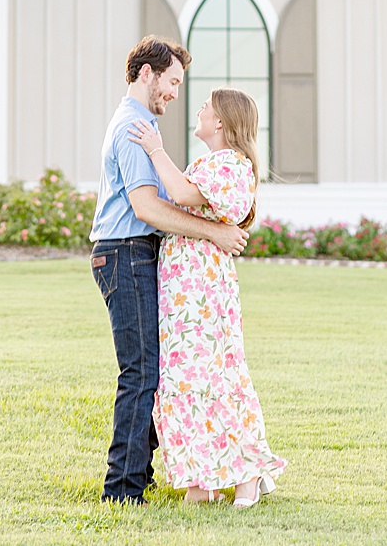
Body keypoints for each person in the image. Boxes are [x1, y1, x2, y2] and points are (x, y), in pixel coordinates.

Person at [89, 37, 248, 505]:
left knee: (155, 372)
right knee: (140, 374)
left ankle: (141, 473)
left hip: (137, 254)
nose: (176, 93)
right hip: (127, 252)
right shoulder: (134, 128)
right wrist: (213, 233)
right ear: (146, 74)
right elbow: (148, 207)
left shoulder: (144, 128)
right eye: (173, 81)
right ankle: (122, 490)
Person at [127, 87, 286, 507]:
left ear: (221, 122)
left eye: (205, 107)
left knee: (215, 378)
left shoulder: (233, 165)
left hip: (202, 290)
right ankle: (203, 479)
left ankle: (248, 472)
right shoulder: (213, 163)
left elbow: (179, 195)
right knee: (186, 381)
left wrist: (156, 150)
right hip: (185, 288)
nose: (197, 110)